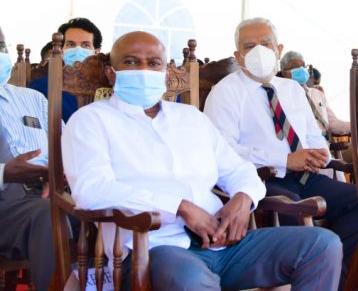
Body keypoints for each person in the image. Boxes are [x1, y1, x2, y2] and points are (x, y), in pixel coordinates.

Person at [63, 31, 341, 290]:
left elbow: (238, 169)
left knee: (321, 244)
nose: (144, 70)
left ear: (166, 74)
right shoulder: (91, 120)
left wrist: (243, 198)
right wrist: (179, 207)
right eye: (131, 62)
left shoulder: (191, 118)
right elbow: (91, 190)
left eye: (154, 63)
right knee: (191, 278)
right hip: (155, 249)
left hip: (224, 244)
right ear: (111, 73)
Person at [204, 18, 358, 286]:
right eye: (249, 46)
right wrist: (285, 160)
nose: (258, 51)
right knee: (293, 207)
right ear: (238, 55)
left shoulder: (292, 89)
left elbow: (313, 135)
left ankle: (336, 279)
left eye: (266, 44)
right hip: (261, 181)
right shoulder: (224, 93)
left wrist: (320, 154)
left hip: (306, 176)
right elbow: (223, 151)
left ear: (278, 50)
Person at [0, 28, 59, 291]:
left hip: (48, 193)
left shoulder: (32, 99)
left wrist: (59, 173)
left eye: (1, 46)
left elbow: (65, 146)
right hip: (6, 203)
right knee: (47, 215)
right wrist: (5, 173)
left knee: (104, 212)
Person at [28, 17, 104, 122]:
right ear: (62, 50)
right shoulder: (42, 87)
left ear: (97, 52)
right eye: (71, 44)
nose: (78, 50)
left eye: (85, 45)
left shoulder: (109, 86)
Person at [279, 51, 351, 137]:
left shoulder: (318, 94)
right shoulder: (280, 96)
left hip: (324, 142)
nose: (301, 69)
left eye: (303, 66)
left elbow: (333, 123)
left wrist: (355, 125)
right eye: (295, 66)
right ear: (284, 73)